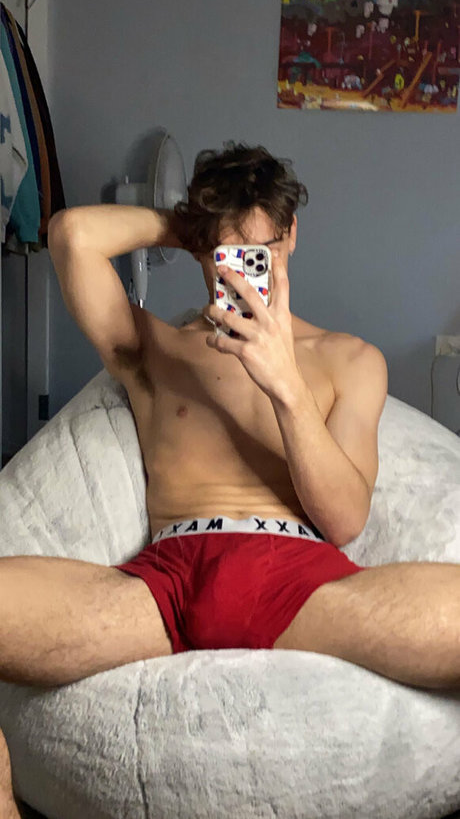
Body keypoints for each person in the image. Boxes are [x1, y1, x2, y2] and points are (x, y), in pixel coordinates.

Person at [1, 141, 460, 705]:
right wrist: (190, 226)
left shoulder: (351, 359)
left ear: (292, 235)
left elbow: (344, 520)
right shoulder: (155, 349)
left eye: (260, 253)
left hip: (304, 584)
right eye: (225, 254)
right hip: (168, 582)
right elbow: (72, 234)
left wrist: (285, 384)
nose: (241, 271)